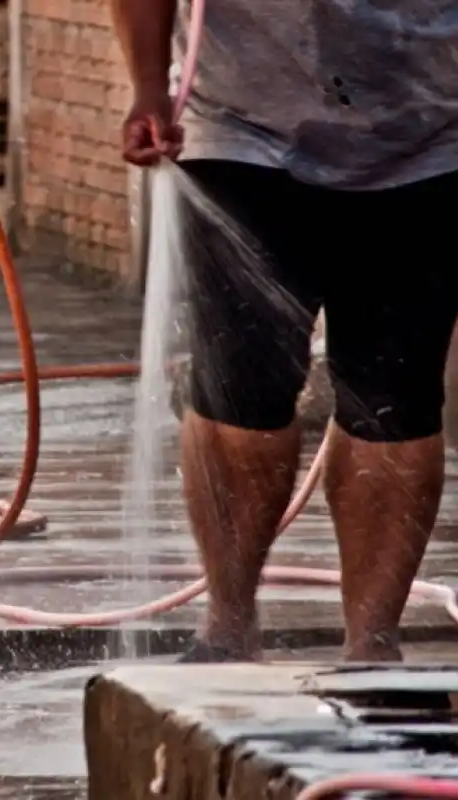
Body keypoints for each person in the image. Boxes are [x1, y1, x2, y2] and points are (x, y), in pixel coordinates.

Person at [111, 0, 458, 662]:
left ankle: (372, 647)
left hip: (430, 137)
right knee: (240, 384)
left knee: (395, 398)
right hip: (240, 129)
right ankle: (228, 626)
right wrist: (149, 87)